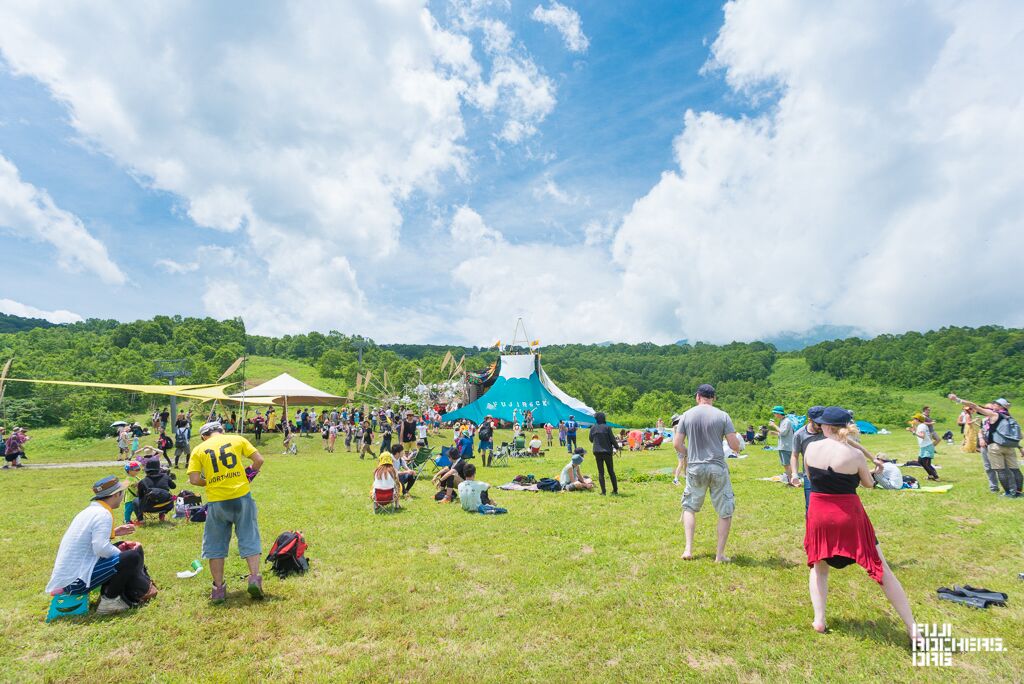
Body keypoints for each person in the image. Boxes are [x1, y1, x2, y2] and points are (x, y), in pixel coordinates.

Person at [802, 407, 919, 644]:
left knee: (819, 566)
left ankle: (819, 619)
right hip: (848, 515)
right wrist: (874, 471)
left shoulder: (811, 448)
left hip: (819, 513)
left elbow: (809, 476)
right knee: (882, 569)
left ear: (826, 427)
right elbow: (868, 484)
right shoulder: (853, 456)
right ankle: (912, 628)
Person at [46, 476, 156, 614]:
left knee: (124, 549)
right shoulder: (103, 514)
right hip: (76, 582)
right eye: (121, 493)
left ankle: (127, 590)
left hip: (70, 577)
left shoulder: (90, 511)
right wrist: (123, 556)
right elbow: (101, 548)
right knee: (131, 557)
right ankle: (110, 601)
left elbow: (89, 540)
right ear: (116, 494)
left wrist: (115, 533)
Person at [187, 421, 265, 603]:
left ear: (204, 436)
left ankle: (218, 588)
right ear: (221, 430)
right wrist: (248, 474)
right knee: (249, 535)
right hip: (242, 495)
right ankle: (254, 578)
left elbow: (194, 479)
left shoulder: (198, 449)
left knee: (215, 544)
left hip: (217, 501)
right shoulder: (237, 439)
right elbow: (259, 460)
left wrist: (212, 482)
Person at [673, 384, 740, 563]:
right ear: (713, 398)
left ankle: (688, 549)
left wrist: (689, 453)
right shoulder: (723, 416)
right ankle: (719, 555)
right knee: (725, 511)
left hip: (695, 467)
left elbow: (677, 444)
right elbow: (735, 446)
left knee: (689, 507)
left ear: (697, 397)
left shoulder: (686, 415)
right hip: (717, 466)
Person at [949, 394, 1021, 497]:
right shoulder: (1009, 417)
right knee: (1014, 469)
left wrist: (958, 399)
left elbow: (975, 406)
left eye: (994, 404)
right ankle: (1018, 492)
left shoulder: (994, 415)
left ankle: (1008, 493)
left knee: (1001, 470)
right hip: (1008, 446)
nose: (992, 406)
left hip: (996, 446)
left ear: (1000, 406)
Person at [789, 406, 827, 510]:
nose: (822, 426)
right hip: (810, 475)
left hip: (829, 473)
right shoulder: (799, 435)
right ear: (810, 420)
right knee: (811, 506)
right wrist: (794, 474)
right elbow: (794, 455)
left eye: (824, 423)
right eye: (819, 424)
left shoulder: (828, 431)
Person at [588, 412, 620, 495]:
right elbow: (612, 439)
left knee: (600, 472)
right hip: (607, 452)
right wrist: (617, 447)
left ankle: (603, 491)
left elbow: (591, 439)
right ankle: (615, 490)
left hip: (597, 451)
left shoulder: (593, 428)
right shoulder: (607, 427)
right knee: (611, 471)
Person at [768, 406, 796, 486]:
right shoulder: (782, 421)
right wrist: (775, 433)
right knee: (786, 464)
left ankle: (791, 482)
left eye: (775, 413)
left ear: (778, 413)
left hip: (786, 446)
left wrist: (774, 425)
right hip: (783, 445)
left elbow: (783, 432)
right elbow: (783, 433)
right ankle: (791, 480)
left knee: (787, 464)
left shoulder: (786, 421)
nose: (774, 415)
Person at [907, 414, 940, 480]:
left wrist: (913, 432)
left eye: (914, 419)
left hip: (927, 447)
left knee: (926, 463)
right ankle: (931, 475)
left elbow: (922, 436)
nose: (913, 420)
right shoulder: (921, 426)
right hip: (924, 447)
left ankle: (936, 477)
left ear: (918, 420)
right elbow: (917, 431)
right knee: (921, 462)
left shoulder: (922, 426)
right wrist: (913, 426)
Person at [122, 461, 143, 525]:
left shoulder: (136, 477)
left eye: (138, 469)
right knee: (128, 510)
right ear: (129, 471)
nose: (137, 470)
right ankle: (127, 520)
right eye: (135, 469)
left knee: (137, 509)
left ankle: (139, 519)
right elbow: (128, 485)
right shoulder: (128, 478)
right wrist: (138, 484)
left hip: (136, 498)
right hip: (130, 498)